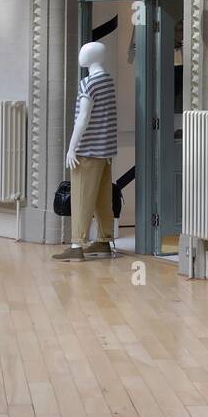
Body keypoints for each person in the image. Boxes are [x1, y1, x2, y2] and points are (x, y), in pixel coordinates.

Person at [53, 41, 117, 262]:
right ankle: (103, 240)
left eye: (84, 51)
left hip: (87, 149)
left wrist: (72, 148)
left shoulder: (88, 83)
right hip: (105, 151)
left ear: (93, 56)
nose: (81, 54)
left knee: (81, 197)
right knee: (102, 198)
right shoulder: (108, 81)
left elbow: (83, 118)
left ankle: (76, 245)